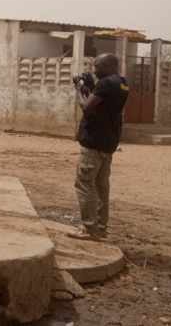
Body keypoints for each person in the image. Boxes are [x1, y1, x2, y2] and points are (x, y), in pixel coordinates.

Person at [67, 53, 129, 241]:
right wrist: (90, 88)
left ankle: (89, 229)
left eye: (97, 66)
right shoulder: (122, 83)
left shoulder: (105, 84)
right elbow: (103, 105)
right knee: (101, 186)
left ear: (109, 65)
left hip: (93, 141)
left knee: (85, 184)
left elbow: (86, 107)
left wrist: (79, 89)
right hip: (108, 142)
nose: (94, 70)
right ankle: (100, 228)